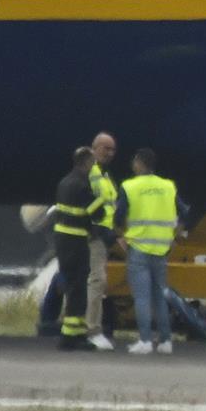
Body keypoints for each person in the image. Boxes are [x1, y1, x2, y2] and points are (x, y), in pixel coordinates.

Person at [119, 148, 181, 355]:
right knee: (159, 296)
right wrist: (175, 238)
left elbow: (118, 215)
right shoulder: (168, 186)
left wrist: (120, 236)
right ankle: (165, 341)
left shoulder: (130, 186)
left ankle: (145, 340)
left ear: (139, 163)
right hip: (161, 248)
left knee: (142, 297)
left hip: (138, 247)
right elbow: (185, 212)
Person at [52, 147, 104, 351]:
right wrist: (101, 199)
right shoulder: (83, 185)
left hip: (63, 242)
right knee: (78, 290)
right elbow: (96, 213)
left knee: (72, 288)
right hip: (76, 243)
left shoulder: (64, 182)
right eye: (93, 162)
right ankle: (71, 337)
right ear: (86, 162)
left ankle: (73, 333)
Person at [85, 131, 120, 350]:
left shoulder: (105, 176)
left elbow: (109, 207)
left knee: (92, 281)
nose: (109, 153)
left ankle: (80, 326)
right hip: (93, 234)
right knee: (96, 281)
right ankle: (92, 330)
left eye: (112, 149)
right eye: (105, 148)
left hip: (103, 235)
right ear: (94, 148)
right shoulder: (90, 173)